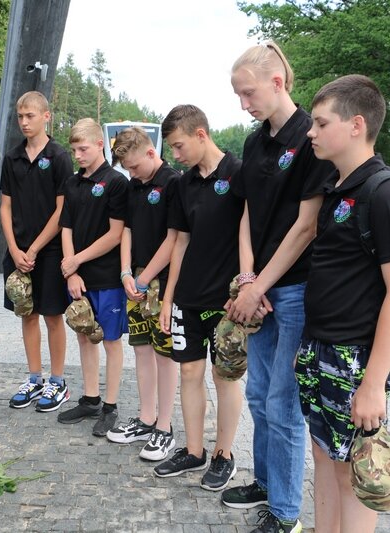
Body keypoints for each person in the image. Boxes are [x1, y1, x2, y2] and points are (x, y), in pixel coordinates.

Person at [297, 74, 390, 533]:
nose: (311, 132)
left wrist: (372, 385)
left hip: (355, 357)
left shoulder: (386, 192)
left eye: (320, 122)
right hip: (321, 348)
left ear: (356, 125)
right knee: (325, 460)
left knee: (355, 472)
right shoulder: (338, 189)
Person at [222, 42, 335, 533]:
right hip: (259, 288)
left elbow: (306, 226)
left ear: (277, 82)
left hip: (293, 290)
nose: (243, 103)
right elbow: (247, 212)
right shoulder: (254, 143)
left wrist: (260, 285)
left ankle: (286, 513)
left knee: (283, 405)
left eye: (248, 93)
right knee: (258, 395)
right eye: (238, 95)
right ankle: (266, 483)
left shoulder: (311, 138)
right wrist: (247, 279)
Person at [153, 105, 244, 490]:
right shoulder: (182, 184)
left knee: (224, 377)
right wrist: (168, 298)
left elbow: (250, 236)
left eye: (179, 146)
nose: (175, 155)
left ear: (201, 134)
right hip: (188, 297)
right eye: (171, 148)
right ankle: (194, 451)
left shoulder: (238, 174)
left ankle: (224, 454)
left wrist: (245, 289)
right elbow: (180, 242)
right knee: (189, 372)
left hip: (226, 302)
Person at [105, 126, 179, 462]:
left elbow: (174, 239)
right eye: (127, 169)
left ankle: (165, 426)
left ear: (151, 152)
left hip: (161, 282)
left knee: (165, 355)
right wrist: (126, 273)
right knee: (141, 349)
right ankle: (146, 418)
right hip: (135, 280)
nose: (131, 174)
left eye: (134, 166)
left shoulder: (173, 182)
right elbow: (128, 231)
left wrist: (146, 278)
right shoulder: (134, 186)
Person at [0, 91, 71, 412]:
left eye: (30, 116)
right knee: (27, 314)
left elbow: (61, 210)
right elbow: (4, 206)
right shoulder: (12, 158)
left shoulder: (59, 157)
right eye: (20, 116)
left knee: (53, 316)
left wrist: (35, 248)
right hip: (18, 252)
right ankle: (34, 378)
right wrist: (15, 249)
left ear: (46, 116)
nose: (24, 122)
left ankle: (57, 382)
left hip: (50, 251)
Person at [57, 118, 128, 437]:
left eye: (83, 149)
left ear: (100, 144)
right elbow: (66, 228)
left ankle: (110, 407)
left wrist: (76, 260)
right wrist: (71, 271)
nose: (78, 156)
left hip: (107, 278)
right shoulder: (72, 183)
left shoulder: (116, 182)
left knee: (110, 340)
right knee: (84, 336)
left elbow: (115, 234)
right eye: (74, 150)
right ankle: (90, 399)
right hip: (78, 278)